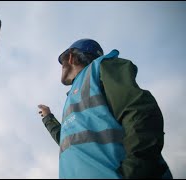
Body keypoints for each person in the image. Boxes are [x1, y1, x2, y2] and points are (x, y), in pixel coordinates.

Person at [37, 39, 173, 179]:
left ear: (71, 57)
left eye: (62, 62)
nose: (61, 67)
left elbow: (139, 112)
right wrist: (48, 118)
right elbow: (68, 142)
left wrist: (134, 172)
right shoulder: (73, 97)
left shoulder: (101, 67)